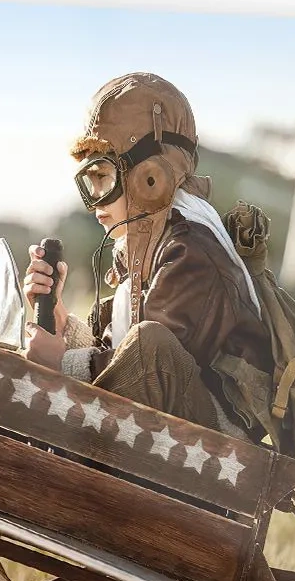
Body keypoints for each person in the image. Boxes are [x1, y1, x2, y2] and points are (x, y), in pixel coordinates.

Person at [22, 72, 272, 439]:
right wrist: (61, 323)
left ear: (148, 177)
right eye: (89, 183)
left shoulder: (190, 250)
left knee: (149, 342)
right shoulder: (145, 246)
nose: (94, 202)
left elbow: (146, 366)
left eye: (103, 178)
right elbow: (119, 362)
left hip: (220, 438)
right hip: (180, 419)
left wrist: (59, 362)